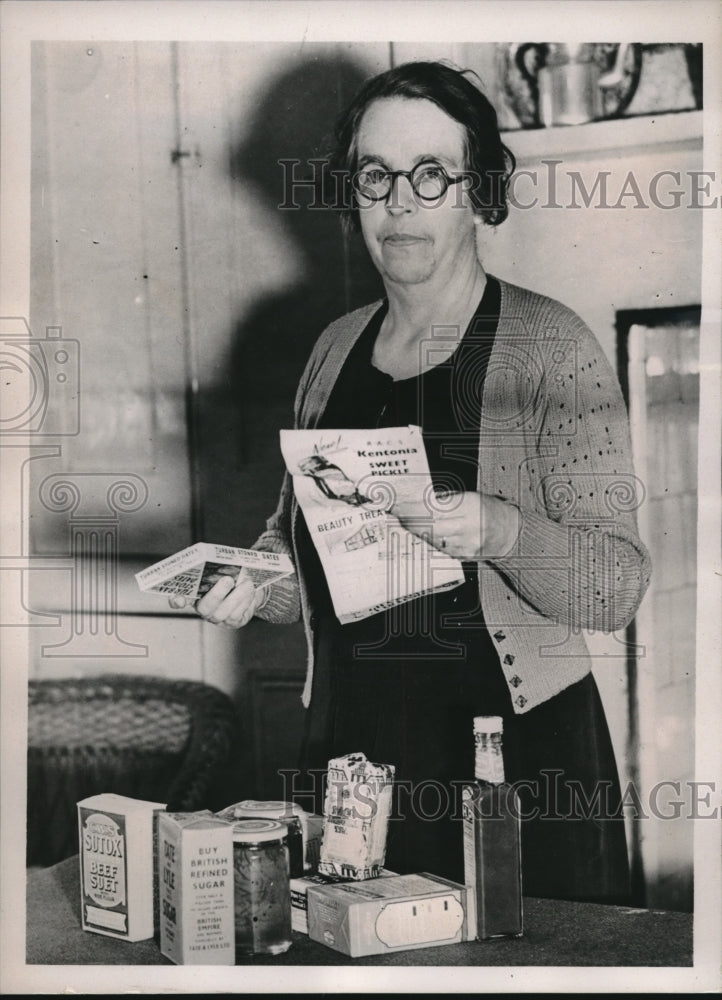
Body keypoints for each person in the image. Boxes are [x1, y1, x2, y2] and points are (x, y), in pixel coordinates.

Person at [171, 61, 651, 902]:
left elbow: (615, 587)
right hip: (353, 759)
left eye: (431, 175)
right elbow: (301, 553)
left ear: (478, 192)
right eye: (376, 175)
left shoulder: (551, 345)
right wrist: (254, 581)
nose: (400, 202)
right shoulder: (333, 349)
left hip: (511, 767)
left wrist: (498, 530)